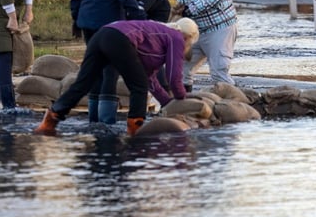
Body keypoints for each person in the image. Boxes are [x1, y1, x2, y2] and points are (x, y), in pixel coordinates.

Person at [34, 18, 199, 137]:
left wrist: (168, 103)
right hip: (119, 38)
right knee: (138, 88)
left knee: (83, 84)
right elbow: (173, 75)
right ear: (188, 38)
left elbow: (149, 79)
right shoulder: (176, 36)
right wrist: (181, 97)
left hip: (102, 34)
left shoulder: (156, 38)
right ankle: (135, 131)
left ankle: (49, 122)